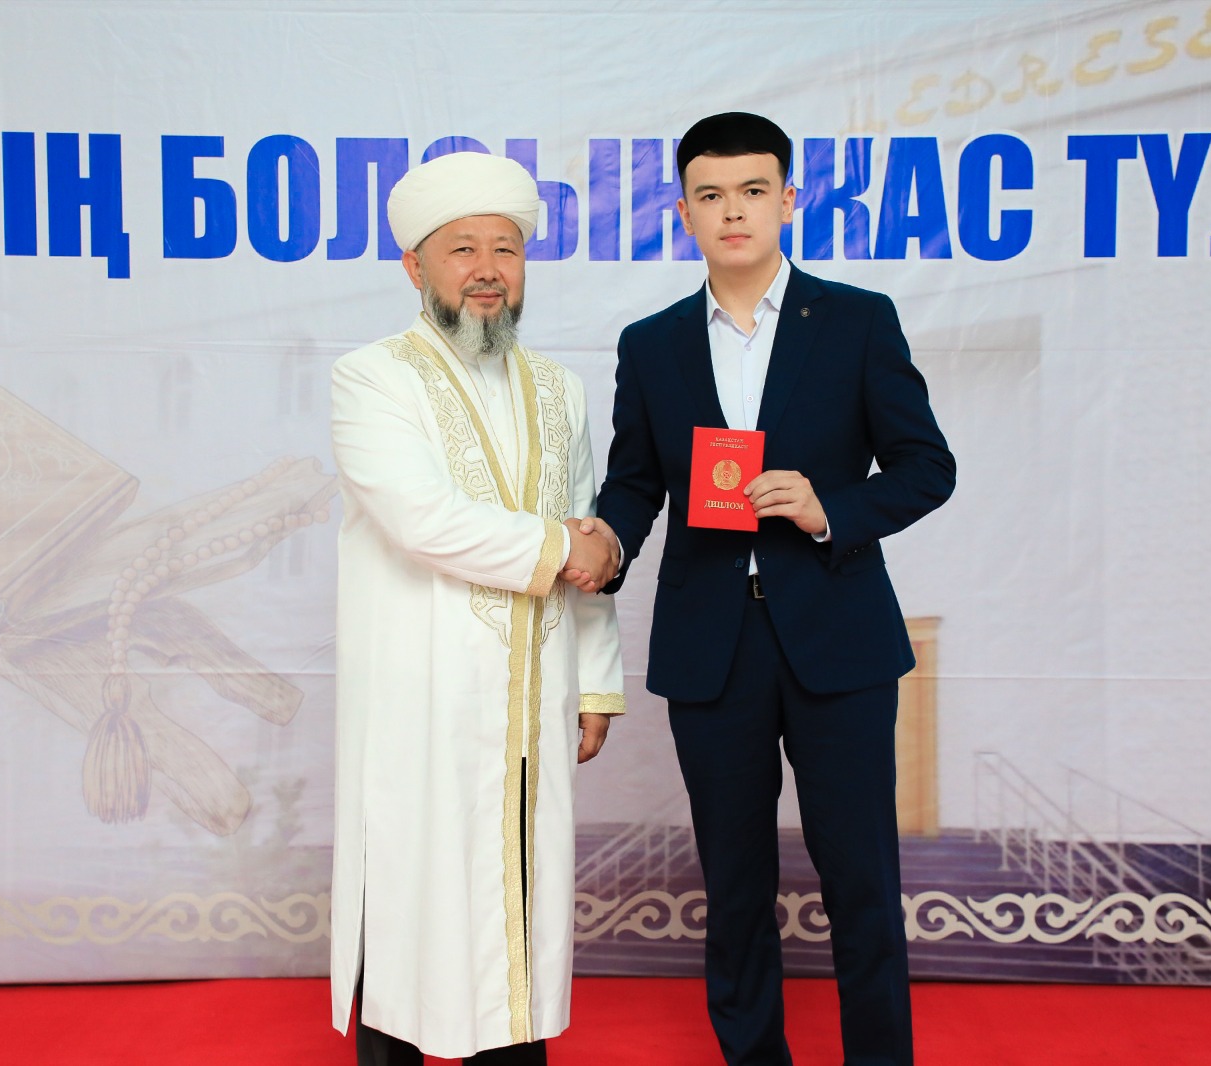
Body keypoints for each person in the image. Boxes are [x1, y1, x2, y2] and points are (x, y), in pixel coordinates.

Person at [572, 113, 955, 1065]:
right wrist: (606, 538)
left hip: (838, 637)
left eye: (752, 191)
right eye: (710, 195)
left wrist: (830, 510)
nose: (732, 211)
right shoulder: (652, 343)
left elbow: (927, 467)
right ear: (683, 213)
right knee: (734, 886)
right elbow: (636, 482)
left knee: (861, 880)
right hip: (713, 647)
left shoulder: (858, 320)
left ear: (789, 200)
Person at [327, 150, 625, 1066]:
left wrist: (595, 682)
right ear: (415, 266)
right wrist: (567, 547)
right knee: (410, 889)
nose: (488, 270)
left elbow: (585, 528)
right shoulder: (372, 377)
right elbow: (422, 520)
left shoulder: (561, 389)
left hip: (534, 696)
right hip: (418, 694)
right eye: (462, 249)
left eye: (506, 249)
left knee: (521, 897)